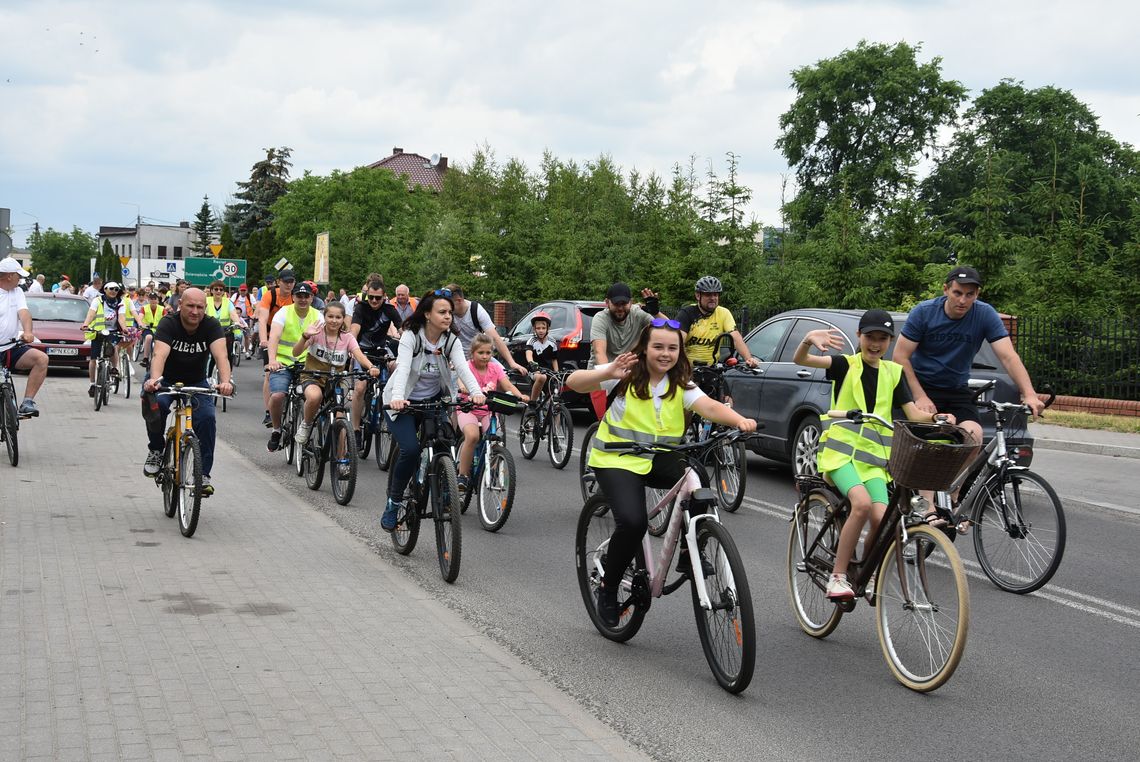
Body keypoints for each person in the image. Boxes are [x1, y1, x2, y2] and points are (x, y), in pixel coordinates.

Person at [567, 318, 757, 626]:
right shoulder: (624, 374)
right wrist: (607, 371)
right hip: (617, 459)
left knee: (697, 478)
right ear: (644, 349)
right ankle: (608, 586)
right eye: (658, 347)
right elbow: (575, 382)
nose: (665, 354)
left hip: (658, 457)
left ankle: (689, 550)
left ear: (680, 352)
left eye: (672, 348)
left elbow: (708, 406)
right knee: (633, 522)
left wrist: (739, 420)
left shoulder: (681, 383)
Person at [794, 309, 956, 600]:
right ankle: (838, 576)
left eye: (883, 338)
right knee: (861, 505)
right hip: (840, 456)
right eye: (870, 337)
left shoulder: (894, 373)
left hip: (873, 463)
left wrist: (938, 419)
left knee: (883, 521)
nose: (876, 343)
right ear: (860, 336)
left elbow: (913, 413)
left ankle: (863, 572)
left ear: (890, 341)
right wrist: (807, 340)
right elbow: (801, 360)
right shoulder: (845, 365)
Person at [892, 266, 1045, 525]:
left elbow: (1007, 356)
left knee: (973, 435)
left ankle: (952, 494)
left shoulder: (984, 314)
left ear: (977, 294)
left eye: (970, 294)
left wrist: (1029, 393)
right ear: (946, 290)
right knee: (928, 445)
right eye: (958, 293)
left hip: (956, 389)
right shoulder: (924, 312)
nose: (963, 300)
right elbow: (900, 356)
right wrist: (919, 397)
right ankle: (927, 507)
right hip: (921, 386)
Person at [380, 290, 485, 532]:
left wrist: (476, 392)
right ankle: (393, 503)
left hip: (433, 402)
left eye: (450, 312)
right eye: (442, 312)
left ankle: (445, 489)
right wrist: (397, 398)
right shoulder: (411, 337)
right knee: (411, 450)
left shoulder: (451, 341)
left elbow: (463, 368)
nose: (448, 316)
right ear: (427, 314)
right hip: (403, 403)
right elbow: (404, 368)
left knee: (444, 446)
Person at [141, 288, 233, 495]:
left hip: (196, 381)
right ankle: (156, 449)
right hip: (166, 379)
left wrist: (226, 382)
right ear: (180, 304)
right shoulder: (169, 323)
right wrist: (154, 380)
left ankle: (203, 475)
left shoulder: (211, 325)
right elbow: (159, 355)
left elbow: (221, 357)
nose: (195, 311)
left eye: (200, 307)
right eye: (190, 306)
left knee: (207, 418)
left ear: (205, 308)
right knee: (158, 406)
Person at [292, 302, 381, 450]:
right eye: (330, 316)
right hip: (313, 377)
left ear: (343, 319)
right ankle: (306, 425)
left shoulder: (347, 338)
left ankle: (342, 462)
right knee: (315, 397)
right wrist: (305, 336)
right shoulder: (316, 333)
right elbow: (296, 352)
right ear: (324, 317)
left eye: (338, 317)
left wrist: (371, 367)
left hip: (335, 381)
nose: (334, 320)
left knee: (341, 420)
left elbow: (359, 355)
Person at [455, 333, 528, 493]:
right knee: (473, 436)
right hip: (468, 409)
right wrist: (464, 388)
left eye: (488, 353)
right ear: (473, 353)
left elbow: (507, 386)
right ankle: (462, 476)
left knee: (496, 439)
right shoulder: (467, 366)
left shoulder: (495, 368)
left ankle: (492, 471)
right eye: (481, 353)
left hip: (488, 410)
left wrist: (521, 396)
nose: (485, 356)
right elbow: (461, 380)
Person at [586, 282, 662, 418]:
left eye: (624, 304)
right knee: (607, 421)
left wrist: (656, 313)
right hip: (602, 375)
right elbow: (599, 352)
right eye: (616, 304)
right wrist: (609, 376)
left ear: (631, 303)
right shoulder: (600, 319)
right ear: (607, 303)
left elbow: (671, 331)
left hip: (628, 375)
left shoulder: (638, 314)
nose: (620, 308)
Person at [265, 281, 321, 452]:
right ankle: (276, 430)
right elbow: (274, 337)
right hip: (283, 362)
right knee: (277, 396)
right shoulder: (284, 312)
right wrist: (272, 359)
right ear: (293, 297)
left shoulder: (318, 315)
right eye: (299, 296)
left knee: (317, 396)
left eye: (307, 296)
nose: (303, 299)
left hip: (308, 363)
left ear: (312, 297)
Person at [348, 278, 402, 449]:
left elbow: (403, 330)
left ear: (384, 297)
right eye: (370, 297)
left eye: (377, 298)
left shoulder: (390, 310)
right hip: (361, 351)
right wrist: (352, 345)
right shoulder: (360, 308)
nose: (373, 301)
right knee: (360, 388)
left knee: (396, 367)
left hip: (380, 351)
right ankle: (356, 429)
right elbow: (354, 329)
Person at [676, 275, 761, 369]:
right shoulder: (687, 313)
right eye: (708, 295)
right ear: (698, 295)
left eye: (715, 294)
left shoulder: (723, 313)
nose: (713, 298)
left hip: (711, 370)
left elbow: (736, 338)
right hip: (687, 369)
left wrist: (749, 359)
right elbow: (678, 341)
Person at [0, 257, 48, 417]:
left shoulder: (17, 291)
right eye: (18, 276)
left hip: (10, 347)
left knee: (41, 359)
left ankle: (27, 402)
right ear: (9, 276)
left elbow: (24, 312)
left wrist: (28, 332)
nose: (20, 279)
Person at [445, 284, 526, 374]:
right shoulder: (446, 314)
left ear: (459, 301)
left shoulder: (476, 310)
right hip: (457, 359)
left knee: (504, 376)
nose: (446, 308)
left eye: (449, 304)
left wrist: (512, 363)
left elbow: (495, 338)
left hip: (478, 356)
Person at [257, 269, 295, 427]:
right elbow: (262, 318)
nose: (289, 284)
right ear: (279, 282)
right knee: (269, 374)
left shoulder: (296, 297)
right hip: (270, 333)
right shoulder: (270, 295)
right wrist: (264, 340)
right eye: (286, 281)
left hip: (288, 336)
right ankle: (269, 411)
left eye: (291, 281)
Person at [80, 282, 130, 398]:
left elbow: (122, 318)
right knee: (93, 358)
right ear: (105, 289)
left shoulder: (120, 302)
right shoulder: (98, 300)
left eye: (116, 289)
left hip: (113, 331)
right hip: (98, 331)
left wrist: (125, 329)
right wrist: (86, 324)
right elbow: (91, 314)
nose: (114, 291)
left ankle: (113, 368)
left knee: (113, 348)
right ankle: (92, 384)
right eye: (111, 289)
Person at [204, 280, 247, 363]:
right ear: (212, 291)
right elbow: (202, 314)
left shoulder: (228, 302)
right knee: (207, 356)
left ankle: (228, 374)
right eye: (216, 289)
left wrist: (237, 322)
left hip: (225, 332)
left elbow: (233, 314)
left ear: (224, 291)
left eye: (221, 289)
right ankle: (207, 374)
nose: (218, 291)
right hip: (209, 332)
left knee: (227, 355)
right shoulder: (206, 300)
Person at [524, 311, 558, 403]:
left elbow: (554, 359)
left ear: (548, 328)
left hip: (548, 371)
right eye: (538, 328)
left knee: (556, 402)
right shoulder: (532, 341)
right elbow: (529, 354)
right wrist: (532, 364)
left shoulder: (552, 341)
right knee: (541, 377)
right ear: (534, 329)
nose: (541, 330)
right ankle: (533, 403)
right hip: (535, 371)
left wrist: (556, 373)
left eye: (543, 328)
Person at [138, 290, 166, 368]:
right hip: (147, 329)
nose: (153, 300)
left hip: (159, 329)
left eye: (155, 299)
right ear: (148, 300)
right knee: (148, 337)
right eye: (151, 299)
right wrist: (141, 324)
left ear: (158, 300)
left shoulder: (162, 308)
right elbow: (140, 317)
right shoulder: (144, 308)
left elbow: (166, 318)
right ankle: (145, 358)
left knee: (162, 341)